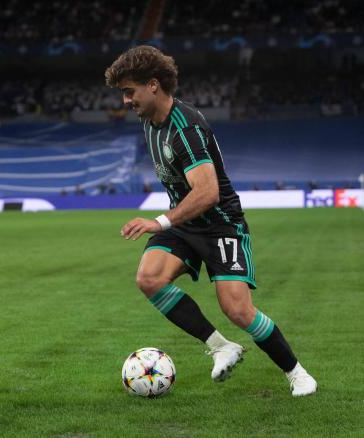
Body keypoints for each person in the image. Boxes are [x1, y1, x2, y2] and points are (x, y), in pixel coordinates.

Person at [105, 45, 317, 396]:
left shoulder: (184, 127)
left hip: (220, 223)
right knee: (149, 277)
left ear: (153, 85)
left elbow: (207, 192)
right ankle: (221, 346)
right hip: (187, 223)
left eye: (130, 91)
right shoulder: (150, 122)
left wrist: (159, 222)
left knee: (236, 308)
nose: (126, 100)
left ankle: (296, 373)